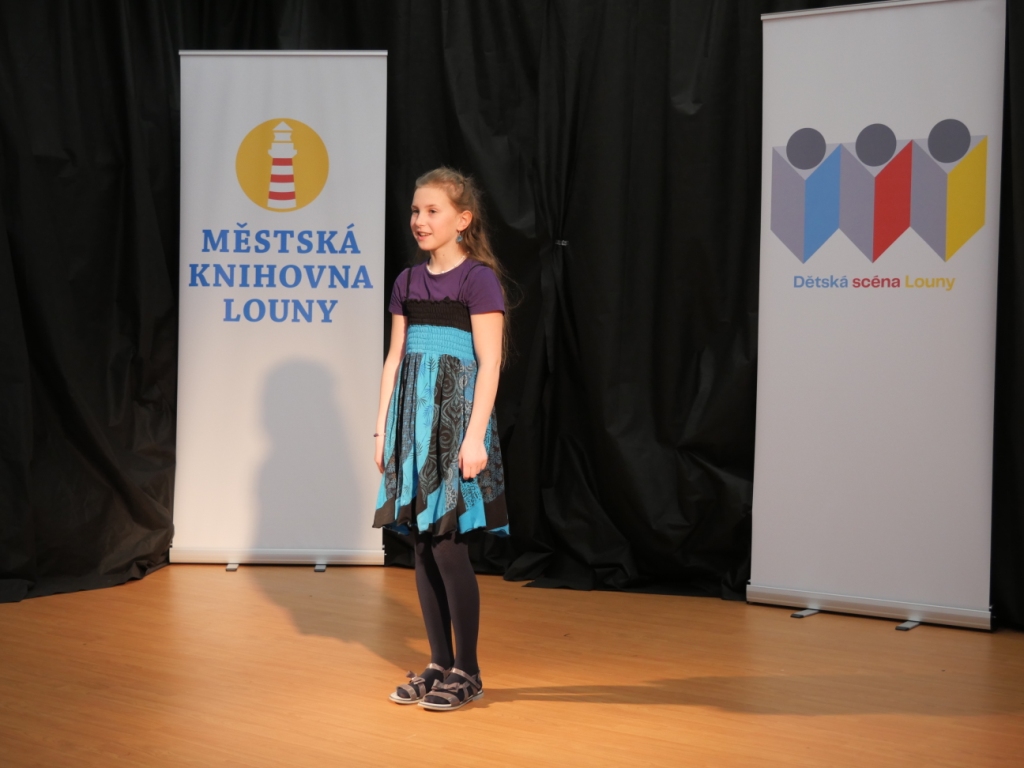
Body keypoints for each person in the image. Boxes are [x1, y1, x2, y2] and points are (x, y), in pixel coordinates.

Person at [373, 167, 510, 711]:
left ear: (462, 219)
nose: (420, 220)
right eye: (415, 210)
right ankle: (437, 663)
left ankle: (467, 670)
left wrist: (475, 438)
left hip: (455, 429)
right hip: (412, 428)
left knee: (448, 544)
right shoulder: (407, 282)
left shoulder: (478, 279)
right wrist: (382, 428)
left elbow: (490, 362)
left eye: (432, 210)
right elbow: (394, 358)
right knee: (421, 544)